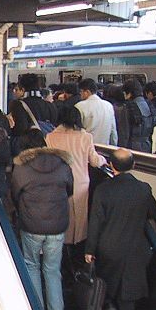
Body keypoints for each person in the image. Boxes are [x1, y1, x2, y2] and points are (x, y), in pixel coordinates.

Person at [85, 149, 156, 310]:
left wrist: (90, 249)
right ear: (133, 165)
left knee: (104, 290)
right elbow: (151, 212)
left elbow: (96, 222)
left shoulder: (103, 189)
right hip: (136, 250)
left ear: (111, 166)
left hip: (109, 249)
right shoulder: (143, 189)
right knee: (128, 300)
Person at [10, 130, 73, 310]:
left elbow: (14, 194)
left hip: (31, 225)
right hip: (57, 226)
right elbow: (69, 190)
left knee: (31, 265)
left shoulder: (21, 167)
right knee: (53, 269)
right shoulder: (62, 165)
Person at [44, 105, 107, 249]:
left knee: (61, 213)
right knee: (79, 216)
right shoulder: (85, 137)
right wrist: (104, 160)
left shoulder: (50, 137)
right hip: (80, 182)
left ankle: (61, 246)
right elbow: (95, 161)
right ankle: (77, 246)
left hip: (58, 181)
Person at [76, 78, 118, 145]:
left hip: (86, 148)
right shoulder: (108, 105)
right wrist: (114, 147)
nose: (80, 95)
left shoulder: (79, 106)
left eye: (81, 92)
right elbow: (113, 130)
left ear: (87, 92)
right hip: (104, 148)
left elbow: (76, 131)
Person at [120, 79, 156, 152]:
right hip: (148, 145)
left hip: (132, 146)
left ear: (129, 93)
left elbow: (125, 133)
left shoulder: (128, 107)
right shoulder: (150, 105)